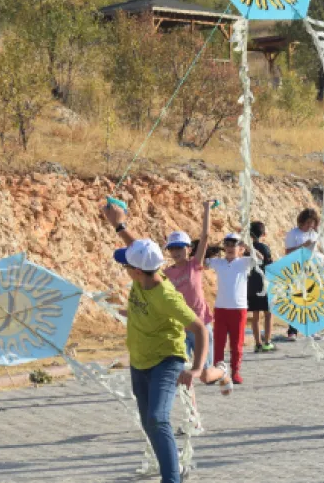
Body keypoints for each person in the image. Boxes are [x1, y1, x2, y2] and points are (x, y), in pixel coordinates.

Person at [105, 204, 208, 483]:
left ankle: (171, 479)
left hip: (166, 360)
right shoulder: (146, 274)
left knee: (158, 418)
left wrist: (196, 369)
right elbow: (137, 246)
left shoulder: (166, 296)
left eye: (125, 265)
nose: (123, 268)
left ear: (137, 272)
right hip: (139, 362)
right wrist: (118, 224)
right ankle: (175, 466)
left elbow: (199, 329)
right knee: (149, 423)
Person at [161, 201, 232, 425]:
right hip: (180, 329)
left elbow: (205, 234)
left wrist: (207, 209)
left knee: (204, 375)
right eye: (172, 249)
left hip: (201, 326)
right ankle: (193, 420)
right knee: (183, 376)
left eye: (180, 248)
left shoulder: (194, 265)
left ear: (188, 249)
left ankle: (222, 371)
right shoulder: (165, 274)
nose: (176, 252)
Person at [208, 232, 253, 384]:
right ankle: (217, 372)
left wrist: (247, 245)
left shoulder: (244, 262)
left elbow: (260, 259)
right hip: (221, 309)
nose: (229, 248)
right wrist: (212, 248)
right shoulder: (218, 262)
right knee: (218, 343)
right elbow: (201, 262)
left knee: (236, 343)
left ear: (240, 248)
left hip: (239, 309)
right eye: (227, 244)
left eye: (233, 244)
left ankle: (235, 372)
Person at [282, 208, 320, 340]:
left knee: (312, 300)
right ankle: (292, 331)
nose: (310, 226)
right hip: (296, 269)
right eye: (308, 222)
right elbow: (288, 252)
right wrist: (303, 246)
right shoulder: (293, 234)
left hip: (311, 269)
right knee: (296, 300)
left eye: (313, 223)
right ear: (302, 221)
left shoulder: (315, 234)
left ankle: (312, 329)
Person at [248, 221, 276, 353]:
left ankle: (257, 343)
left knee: (255, 316)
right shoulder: (264, 248)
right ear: (264, 234)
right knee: (268, 314)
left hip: (251, 286)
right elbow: (269, 264)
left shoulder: (246, 250)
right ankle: (267, 342)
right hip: (264, 285)